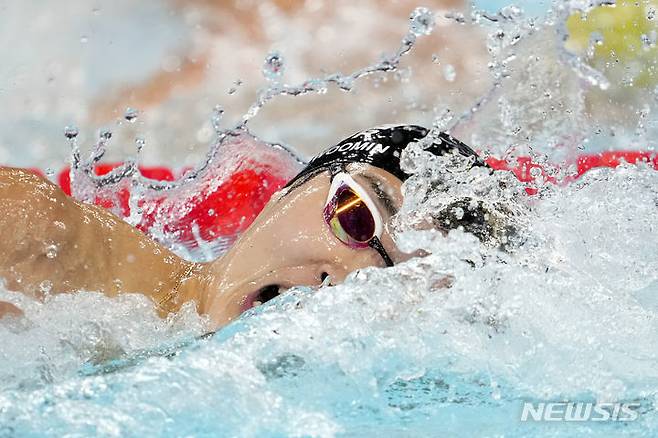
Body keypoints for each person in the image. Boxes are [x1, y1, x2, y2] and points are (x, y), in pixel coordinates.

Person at [0, 125, 483, 328]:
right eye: (354, 217)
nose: (344, 277)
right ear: (287, 190)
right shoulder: (41, 237)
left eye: (391, 279)